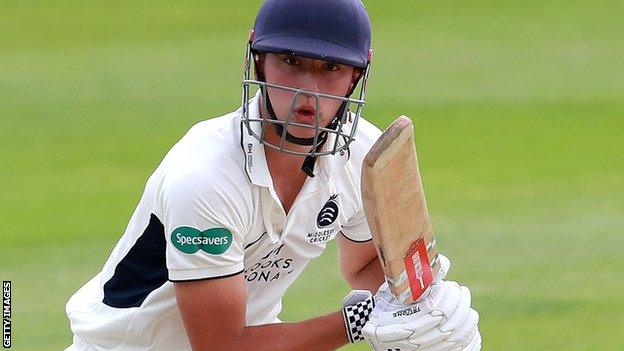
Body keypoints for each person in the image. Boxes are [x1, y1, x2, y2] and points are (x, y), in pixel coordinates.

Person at [65, 0, 481, 350]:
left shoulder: (365, 158)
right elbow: (224, 346)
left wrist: (418, 302)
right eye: (291, 61)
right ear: (258, 58)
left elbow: (367, 263)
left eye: (330, 68)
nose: (309, 90)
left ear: (358, 73)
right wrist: (361, 321)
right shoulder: (204, 177)